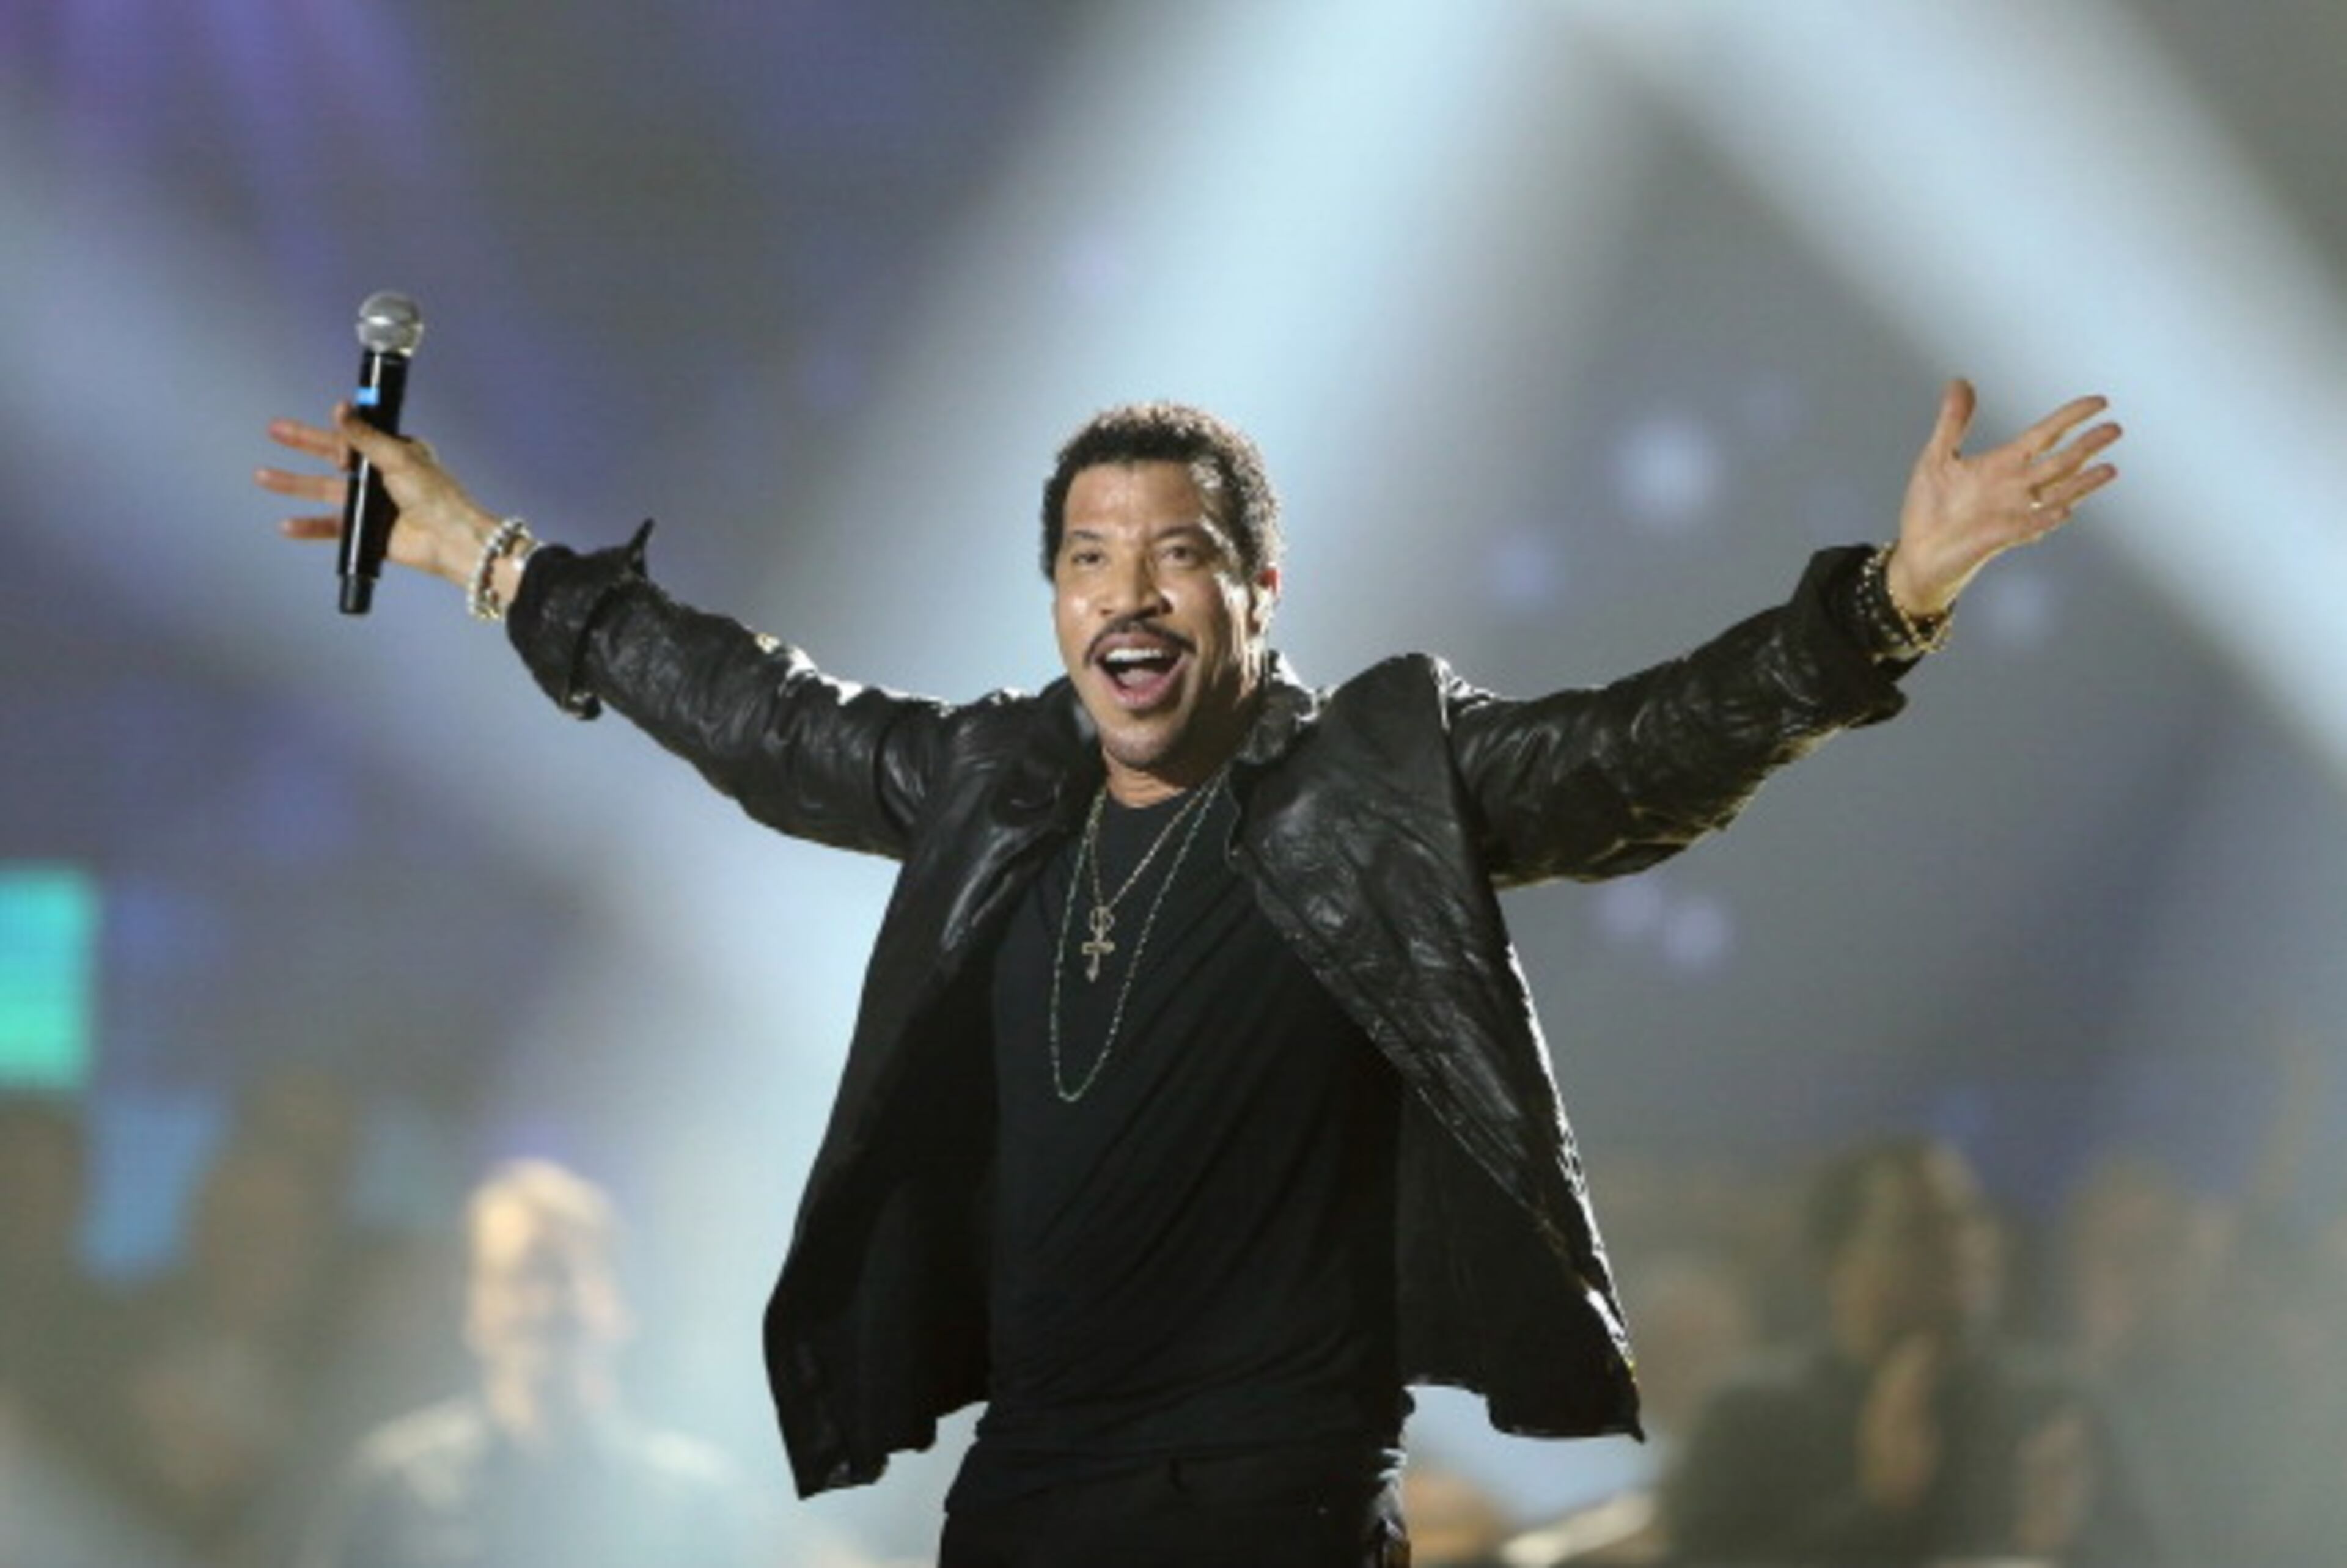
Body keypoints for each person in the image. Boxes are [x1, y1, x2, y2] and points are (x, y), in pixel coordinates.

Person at [257, 380, 2119, 1567]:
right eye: (1088, 558)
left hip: (1274, 1513)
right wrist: (484, 556)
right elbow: (760, 715)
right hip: (1026, 1503)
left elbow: (1642, 749)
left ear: (1256, 593)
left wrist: (1887, 601)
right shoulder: (998, 787)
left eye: (1176, 555)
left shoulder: (1373, 781)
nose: (1127, 592)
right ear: (1057, 601)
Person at [1659, 1136, 2156, 1566]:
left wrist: (2058, 1545)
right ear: (1834, 1262)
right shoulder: (1755, 1418)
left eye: (1970, 1222)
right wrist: (1879, 1509)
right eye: (1919, 1231)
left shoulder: (2055, 1407)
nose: (1961, 1249)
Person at [298, 1159, 757, 1568]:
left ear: (619, 1302)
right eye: (520, 1276)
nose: (545, 1304)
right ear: (474, 1308)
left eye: (564, 1276)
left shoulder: (695, 1504)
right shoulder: (398, 1489)